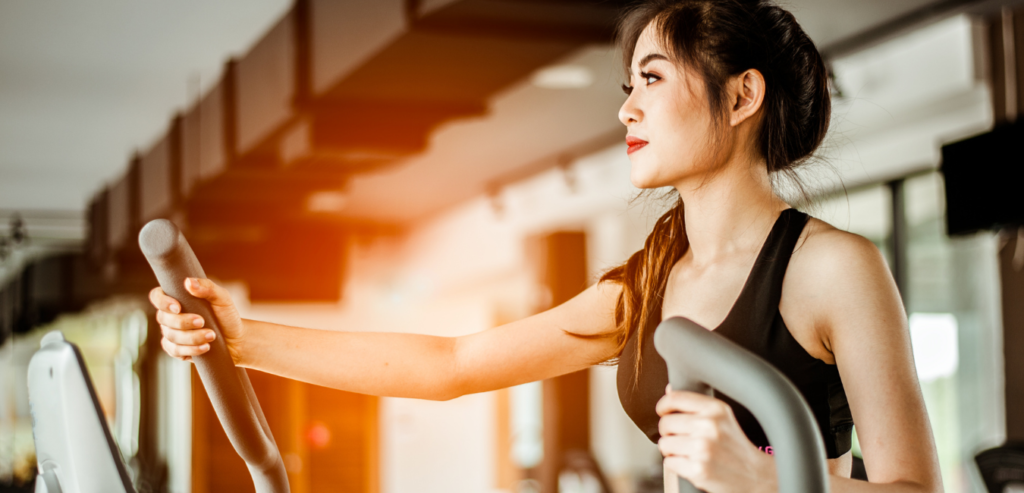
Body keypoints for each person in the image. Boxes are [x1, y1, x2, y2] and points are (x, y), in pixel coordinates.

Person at [150, 0, 943, 491]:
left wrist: (765, 477)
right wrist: (244, 337)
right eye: (626, 87)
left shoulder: (834, 268)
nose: (627, 110)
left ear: (741, 95)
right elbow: (451, 366)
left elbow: (917, 491)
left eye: (653, 79)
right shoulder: (648, 283)